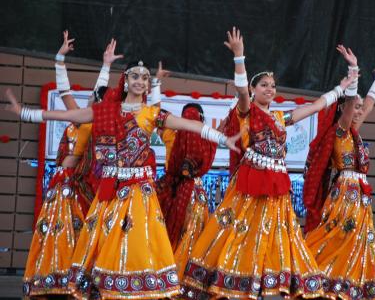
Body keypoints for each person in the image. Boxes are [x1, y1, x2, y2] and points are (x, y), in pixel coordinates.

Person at [4, 59, 240, 299]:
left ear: (148, 86)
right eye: (135, 76)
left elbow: (190, 125)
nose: (140, 81)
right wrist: (26, 112)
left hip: (138, 194)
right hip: (110, 193)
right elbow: (68, 113)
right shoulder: (105, 111)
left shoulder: (152, 113)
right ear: (125, 81)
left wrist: (223, 139)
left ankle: (132, 291)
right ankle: (107, 290)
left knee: (136, 245)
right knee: (103, 245)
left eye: (145, 78)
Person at [180, 27, 355, 299]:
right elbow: (240, 91)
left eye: (273, 86)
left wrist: (342, 87)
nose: (270, 89)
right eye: (264, 85)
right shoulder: (248, 112)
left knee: (275, 235)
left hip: (276, 186)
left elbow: (317, 106)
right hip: (251, 184)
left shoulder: (280, 119)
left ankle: (267, 283)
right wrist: (239, 56)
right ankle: (233, 281)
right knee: (239, 232)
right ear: (253, 89)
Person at [22, 31, 117, 298]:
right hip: (62, 183)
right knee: (54, 233)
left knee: (76, 234)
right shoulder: (80, 114)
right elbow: (65, 90)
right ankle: (53, 280)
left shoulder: (95, 124)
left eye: (98, 101)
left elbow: (99, 96)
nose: (93, 101)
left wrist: (106, 68)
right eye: (94, 99)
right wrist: (59, 59)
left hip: (80, 185)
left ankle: (74, 282)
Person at [303, 45, 375, 300]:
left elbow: (369, 105)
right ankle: (316, 279)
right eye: (355, 106)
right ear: (343, 109)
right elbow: (352, 103)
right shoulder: (340, 130)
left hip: (361, 196)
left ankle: (346, 287)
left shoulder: (354, 130)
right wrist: (354, 69)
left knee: (362, 241)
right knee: (338, 237)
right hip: (345, 195)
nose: (359, 110)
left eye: (360, 107)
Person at [156, 102, 217, 280]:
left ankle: (168, 273)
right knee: (195, 234)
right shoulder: (208, 139)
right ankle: (190, 276)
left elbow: (154, 115)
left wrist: (157, 83)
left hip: (172, 191)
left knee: (169, 232)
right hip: (196, 193)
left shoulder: (170, 134)